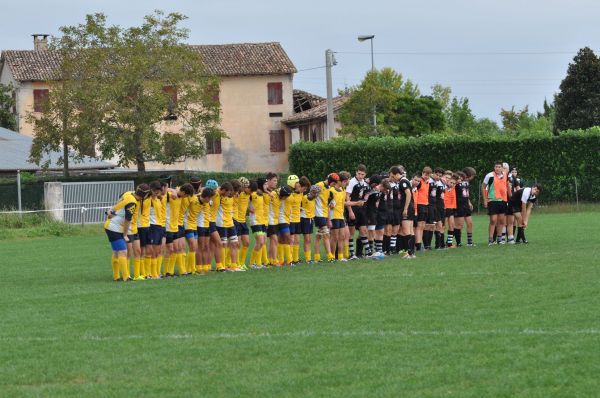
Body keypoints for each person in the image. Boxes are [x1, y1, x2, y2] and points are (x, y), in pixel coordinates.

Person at [104, 184, 151, 281]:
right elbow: (127, 220)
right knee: (123, 251)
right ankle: (126, 277)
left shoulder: (128, 193)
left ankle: (116, 277)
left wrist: (111, 210)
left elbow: (119, 202)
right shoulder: (132, 203)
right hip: (114, 227)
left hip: (112, 226)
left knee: (117, 252)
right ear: (144, 195)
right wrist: (125, 235)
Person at [482, 161, 510, 245]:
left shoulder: (505, 174)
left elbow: (507, 185)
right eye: (496, 167)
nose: (497, 168)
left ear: (502, 168)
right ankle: (490, 239)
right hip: (492, 200)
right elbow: (483, 187)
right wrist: (485, 199)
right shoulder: (489, 175)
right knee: (493, 220)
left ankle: (499, 239)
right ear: (494, 168)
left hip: (503, 200)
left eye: (499, 167)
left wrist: (509, 196)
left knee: (501, 220)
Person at [346, 164, 370, 259]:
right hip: (353, 209)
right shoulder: (351, 182)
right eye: (359, 173)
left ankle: (368, 252)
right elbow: (347, 196)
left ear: (365, 174)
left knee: (363, 231)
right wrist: (350, 211)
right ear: (356, 172)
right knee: (351, 232)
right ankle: (352, 254)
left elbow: (366, 194)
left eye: (362, 174)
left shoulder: (364, 183)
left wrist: (364, 201)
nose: (360, 176)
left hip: (361, 210)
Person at [314, 173, 338, 262]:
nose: (334, 185)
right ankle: (330, 256)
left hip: (324, 214)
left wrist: (328, 218)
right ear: (330, 181)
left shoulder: (328, 189)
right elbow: (311, 197)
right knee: (326, 234)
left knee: (318, 236)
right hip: (318, 213)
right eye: (334, 183)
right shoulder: (319, 185)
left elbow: (327, 204)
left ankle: (316, 257)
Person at [288, 175, 311, 264]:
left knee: (297, 240)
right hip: (290, 219)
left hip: (298, 219)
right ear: (299, 186)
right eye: (304, 188)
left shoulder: (301, 194)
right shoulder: (290, 193)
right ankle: (290, 260)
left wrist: (300, 208)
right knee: (291, 240)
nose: (304, 191)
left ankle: (295, 259)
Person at [248, 179, 267, 269]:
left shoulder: (262, 195)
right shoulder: (252, 194)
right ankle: (252, 263)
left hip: (262, 221)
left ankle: (258, 264)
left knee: (262, 242)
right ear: (260, 185)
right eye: (265, 184)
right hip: (255, 221)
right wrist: (248, 209)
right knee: (260, 241)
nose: (266, 186)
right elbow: (242, 201)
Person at [195, 187, 215, 274]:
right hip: (200, 226)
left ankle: (206, 267)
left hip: (207, 225)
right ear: (206, 197)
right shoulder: (196, 199)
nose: (211, 200)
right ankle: (199, 268)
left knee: (207, 247)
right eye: (210, 198)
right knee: (201, 247)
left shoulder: (209, 201)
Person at [234, 177, 251, 270]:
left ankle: (241, 263)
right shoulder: (235, 194)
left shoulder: (247, 194)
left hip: (243, 221)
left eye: (246, 187)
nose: (245, 189)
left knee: (247, 243)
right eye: (244, 187)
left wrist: (249, 209)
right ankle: (234, 263)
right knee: (237, 244)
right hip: (236, 220)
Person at [301, 184, 320, 263]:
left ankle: (308, 258)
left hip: (310, 220)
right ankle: (308, 259)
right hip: (304, 219)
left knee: (309, 240)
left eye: (317, 193)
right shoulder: (304, 198)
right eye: (315, 193)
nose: (316, 195)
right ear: (311, 192)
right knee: (307, 239)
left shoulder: (314, 199)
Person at [414, 167, 432, 251]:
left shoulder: (427, 182)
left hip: (425, 205)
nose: (426, 176)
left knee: (422, 226)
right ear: (422, 173)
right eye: (425, 174)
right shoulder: (419, 182)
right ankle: (418, 245)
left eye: (428, 175)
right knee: (419, 226)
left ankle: (419, 244)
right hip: (419, 205)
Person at [443, 173, 458, 248]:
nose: (452, 184)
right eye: (451, 182)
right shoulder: (443, 187)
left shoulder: (453, 188)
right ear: (447, 181)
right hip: (444, 209)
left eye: (454, 183)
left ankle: (449, 243)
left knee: (452, 225)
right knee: (443, 226)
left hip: (451, 209)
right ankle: (440, 243)